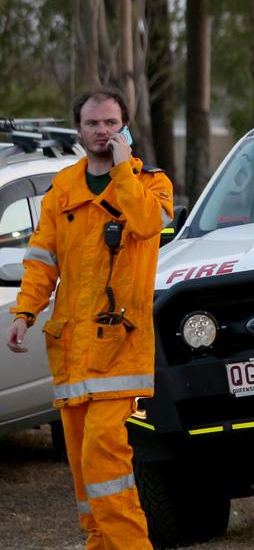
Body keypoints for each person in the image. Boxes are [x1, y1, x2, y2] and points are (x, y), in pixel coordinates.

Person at [6, 89, 173, 549]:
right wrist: (25, 312)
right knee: (85, 478)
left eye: (112, 123)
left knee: (105, 461)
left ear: (126, 128)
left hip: (119, 349)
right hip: (73, 350)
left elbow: (144, 224)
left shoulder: (152, 184)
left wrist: (123, 169)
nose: (103, 131)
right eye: (94, 124)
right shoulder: (63, 190)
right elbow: (42, 260)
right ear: (79, 130)